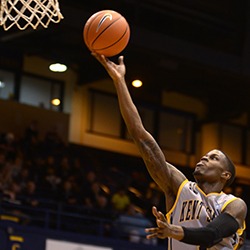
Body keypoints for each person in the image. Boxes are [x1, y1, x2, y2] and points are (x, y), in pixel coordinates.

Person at [92, 53, 247, 250]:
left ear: (226, 175)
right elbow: (140, 135)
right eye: (204, 156)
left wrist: (173, 231)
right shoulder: (180, 188)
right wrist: (119, 81)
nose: (204, 159)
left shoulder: (234, 205)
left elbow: (211, 235)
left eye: (213, 158)